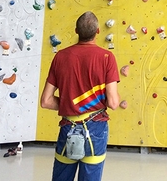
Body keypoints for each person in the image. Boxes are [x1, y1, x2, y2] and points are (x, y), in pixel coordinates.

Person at [40, 11, 120, 181]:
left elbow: (46, 101)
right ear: (98, 31)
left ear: (76, 31)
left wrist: (68, 104)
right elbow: (113, 103)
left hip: (68, 127)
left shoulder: (61, 56)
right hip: (96, 129)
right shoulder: (107, 57)